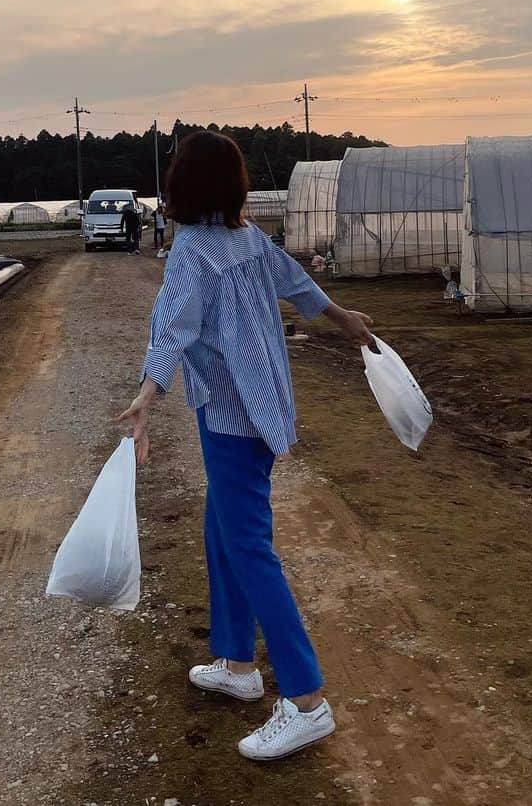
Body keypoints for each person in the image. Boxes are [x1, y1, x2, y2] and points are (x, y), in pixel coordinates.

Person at [117, 131, 373, 762]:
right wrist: (346, 321)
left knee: (249, 547)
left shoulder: (194, 252)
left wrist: (145, 403)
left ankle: (306, 700)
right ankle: (236, 662)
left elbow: (171, 331)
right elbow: (298, 283)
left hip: (233, 418)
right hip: (262, 408)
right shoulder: (248, 239)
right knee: (221, 530)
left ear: (185, 185)